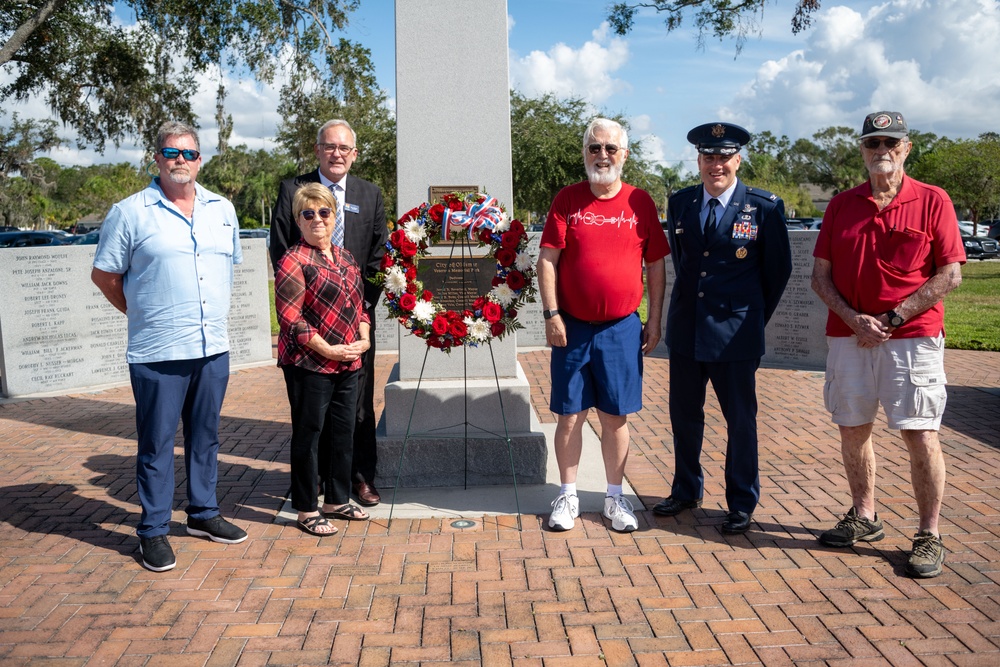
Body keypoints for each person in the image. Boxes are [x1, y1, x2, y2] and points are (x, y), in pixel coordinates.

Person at [810, 111, 965, 578]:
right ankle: (864, 516)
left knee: (919, 432)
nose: (882, 151)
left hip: (912, 339)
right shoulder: (841, 205)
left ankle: (929, 534)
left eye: (890, 144)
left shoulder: (933, 201)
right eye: (873, 144)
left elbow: (950, 274)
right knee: (853, 428)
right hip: (849, 336)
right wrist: (854, 318)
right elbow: (820, 277)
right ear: (862, 150)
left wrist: (893, 317)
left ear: (906, 148)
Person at [92, 121, 248, 572]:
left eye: (190, 153)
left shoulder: (224, 209)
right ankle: (153, 531)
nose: (181, 160)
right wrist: (142, 314)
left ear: (201, 159)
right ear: (156, 158)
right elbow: (105, 275)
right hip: (158, 351)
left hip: (211, 346)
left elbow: (229, 268)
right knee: (156, 444)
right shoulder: (130, 212)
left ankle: (203, 514)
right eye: (171, 152)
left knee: (206, 438)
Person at [654, 122, 792, 535]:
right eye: (708, 156)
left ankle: (741, 501)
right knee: (684, 416)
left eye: (724, 156)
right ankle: (686, 489)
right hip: (686, 331)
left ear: (738, 159)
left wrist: (749, 318)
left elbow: (777, 273)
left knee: (740, 422)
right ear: (698, 160)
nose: (716, 164)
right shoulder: (680, 203)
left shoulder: (763, 207)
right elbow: (683, 260)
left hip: (736, 334)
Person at [537, 118, 670, 533]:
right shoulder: (568, 200)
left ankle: (615, 498)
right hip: (572, 328)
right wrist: (551, 313)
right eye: (594, 148)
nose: (602, 156)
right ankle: (568, 495)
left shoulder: (640, 203)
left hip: (621, 329)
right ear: (584, 154)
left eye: (611, 149)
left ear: (624, 155)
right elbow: (547, 260)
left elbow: (656, 265)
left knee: (615, 417)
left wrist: (655, 319)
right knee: (569, 416)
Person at [270, 119, 387, 507]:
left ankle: (357, 479)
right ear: (318, 150)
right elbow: (281, 251)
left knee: (356, 410)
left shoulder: (370, 194)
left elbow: (377, 258)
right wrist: (313, 317)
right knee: (310, 414)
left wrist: (359, 314)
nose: (337, 153)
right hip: (307, 332)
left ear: (354, 154)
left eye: (345, 148)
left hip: (355, 326)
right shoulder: (292, 190)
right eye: (330, 146)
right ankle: (313, 483)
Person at [275, 183, 372, 535]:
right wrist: (328, 349)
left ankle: (337, 499)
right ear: (298, 221)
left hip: (349, 361)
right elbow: (291, 319)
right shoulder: (293, 259)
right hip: (310, 363)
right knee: (309, 434)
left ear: (335, 217)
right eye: (308, 214)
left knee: (343, 433)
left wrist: (364, 337)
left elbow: (360, 306)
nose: (317, 219)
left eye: (324, 212)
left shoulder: (346, 258)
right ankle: (305, 508)